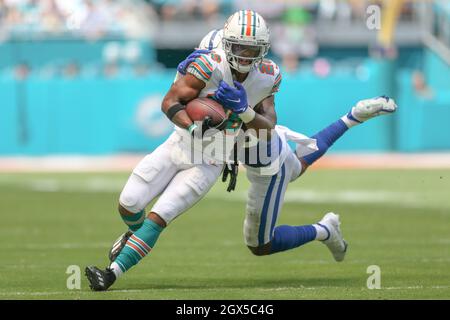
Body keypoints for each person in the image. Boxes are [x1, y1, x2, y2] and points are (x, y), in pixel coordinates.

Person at [85, 9, 288, 291]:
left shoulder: (268, 75)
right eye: (238, 46)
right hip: (179, 143)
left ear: (263, 49)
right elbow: (169, 101)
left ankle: (111, 274)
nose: (244, 54)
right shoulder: (208, 63)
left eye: (251, 48)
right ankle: (134, 234)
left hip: (211, 159)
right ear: (225, 43)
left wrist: (244, 112)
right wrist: (192, 125)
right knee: (129, 203)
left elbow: (268, 128)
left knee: (160, 216)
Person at [175, 27, 397, 258]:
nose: (203, 65)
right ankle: (352, 118)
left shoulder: (244, 81)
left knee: (260, 245)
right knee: (297, 166)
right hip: (262, 143)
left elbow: (264, 126)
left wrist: (242, 111)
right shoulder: (215, 78)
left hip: (266, 158)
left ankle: (323, 231)